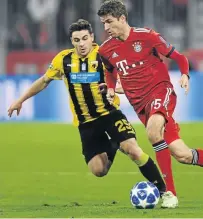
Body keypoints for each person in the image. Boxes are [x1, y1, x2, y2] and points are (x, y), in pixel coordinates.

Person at [97, 0, 203, 208]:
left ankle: (169, 193)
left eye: (109, 22)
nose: (106, 28)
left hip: (161, 91)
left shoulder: (147, 36)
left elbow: (179, 57)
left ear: (122, 18)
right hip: (140, 104)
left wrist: (185, 75)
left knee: (153, 132)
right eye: (103, 23)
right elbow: (110, 71)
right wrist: (109, 88)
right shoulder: (106, 49)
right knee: (183, 155)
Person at [7, 19, 166, 194]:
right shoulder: (63, 59)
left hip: (110, 115)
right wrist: (20, 100)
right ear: (71, 41)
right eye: (77, 40)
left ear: (92, 37)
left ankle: (164, 191)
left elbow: (126, 79)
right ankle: (114, 143)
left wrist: (115, 89)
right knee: (99, 170)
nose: (81, 44)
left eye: (84, 38)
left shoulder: (105, 55)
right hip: (86, 123)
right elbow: (44, 81)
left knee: (133, 151)